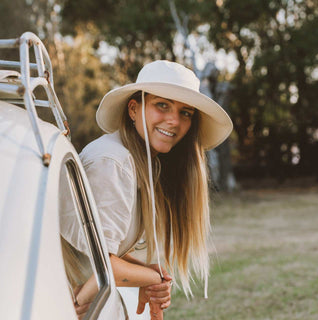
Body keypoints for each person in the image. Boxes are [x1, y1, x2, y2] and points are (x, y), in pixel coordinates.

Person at [60, 60, 233, 319]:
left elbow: (100, 248)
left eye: (185, 112)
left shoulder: (138, 160)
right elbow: (101, 262)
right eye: (162, 105)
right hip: (60, 297)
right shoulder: (113, 161)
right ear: (133, 108)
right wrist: (153, 277)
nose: (174, 121)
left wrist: (147, 275)